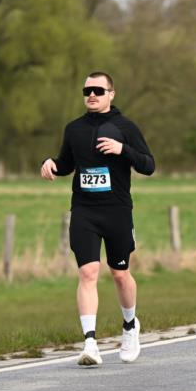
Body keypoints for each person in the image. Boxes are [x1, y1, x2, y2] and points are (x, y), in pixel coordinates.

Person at [41, 72, 156, 367]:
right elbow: (66, 163)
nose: (92, 94)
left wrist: (123, 150)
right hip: (84, 211)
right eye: (87, 90)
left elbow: (148, 165)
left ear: (111, 94)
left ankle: (130, 327)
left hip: (116, 210)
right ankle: (90, 343)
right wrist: (51, 163)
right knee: (88, 273)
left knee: (120, 274)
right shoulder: (74, 129)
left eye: (98, 90)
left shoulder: (125, 127)